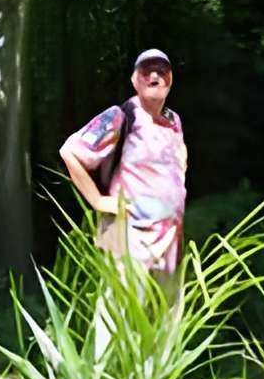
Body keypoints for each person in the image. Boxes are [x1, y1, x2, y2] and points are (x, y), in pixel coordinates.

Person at [59, 48, 187, 281]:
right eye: (147, 70)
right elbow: (70, 151)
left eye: (162, 70)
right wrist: (98, 201)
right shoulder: (121, 116)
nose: (155, 76)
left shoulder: (173, 121)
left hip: (169, 239)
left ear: (171, 79)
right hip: (129, 236)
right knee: (121, 302)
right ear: (134, 79)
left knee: (165, 305)